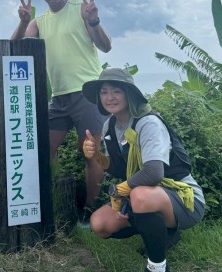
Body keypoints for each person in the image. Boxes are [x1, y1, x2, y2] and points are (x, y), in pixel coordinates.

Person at [11, 0, 112, 214]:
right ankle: (51, 200)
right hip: (58, 98)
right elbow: (14, 49)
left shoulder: (81, 10)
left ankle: (90, 209)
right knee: (44, 149)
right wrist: (23, 23)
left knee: (91, 153)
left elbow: (106, 46)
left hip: (88, 92)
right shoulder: (39, 22)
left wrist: (94, 21)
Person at [82, 68, 205, 272]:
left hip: (184, 198)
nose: (109, 97)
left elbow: (153, 173)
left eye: (116, 91)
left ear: (129, 94)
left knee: (139, 195)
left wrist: (119, 191)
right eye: (104, 92)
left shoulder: (148, 123)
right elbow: (119, 168)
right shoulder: (109, 126)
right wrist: (96, 156)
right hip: (146, 195)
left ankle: (157, 266)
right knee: (99, 224)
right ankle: (164, 234)